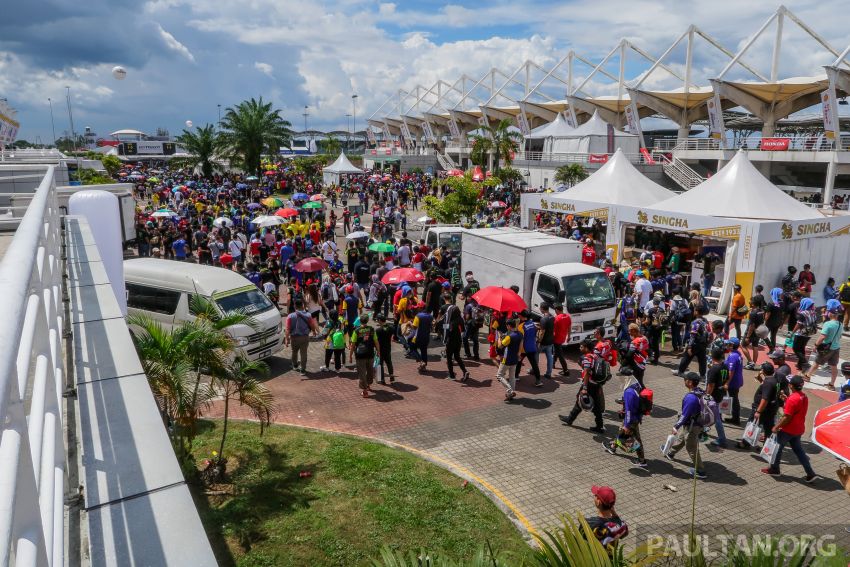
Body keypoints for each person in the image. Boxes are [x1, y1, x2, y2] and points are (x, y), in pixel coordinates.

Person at [762, 375, 817, 482]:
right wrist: (786, 400)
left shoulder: (793, 399)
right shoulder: (803, 396)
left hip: (788, 430)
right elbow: (795, 408)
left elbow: (787, 417)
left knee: (777, 448)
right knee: (799, 451)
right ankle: (810, 473)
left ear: (791, 385)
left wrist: (776, 427)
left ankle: (775, 469)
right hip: (799, 429)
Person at [664, 372, 708, 479]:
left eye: (686, 379)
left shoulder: (691, 398)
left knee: (691, 447)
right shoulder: (700, 392)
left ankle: (701, 471)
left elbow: (685, 415)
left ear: (690, 382)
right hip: (698, 423)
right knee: (683, 437)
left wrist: (676, 426)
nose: (684, 381)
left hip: (693, 425)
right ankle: (671, 453)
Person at [559, 339, 605, 432]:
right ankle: (599, 426)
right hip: (596, 384)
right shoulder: (595, 356)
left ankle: (570, 419)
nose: (580, 348)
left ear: (586, 348)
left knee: (580, 400)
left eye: (581, 346)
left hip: (589, 384)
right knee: (596, 405)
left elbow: (587, 372)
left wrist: (584, 387)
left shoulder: (587, 358)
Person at [603, 377, 647, 468]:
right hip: (636, 416)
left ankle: (642, 460)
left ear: (627, 378)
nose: (620, 379)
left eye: (622, 377)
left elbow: (629, 410)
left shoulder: (629, 392)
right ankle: (613, 446)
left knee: (636, 438)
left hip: (631, 419)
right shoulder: (636, 384)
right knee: (621, 431)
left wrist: (627, 425)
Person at [737, 362, 781, 450]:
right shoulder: (774, 380)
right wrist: (761, 380)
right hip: (771, 410)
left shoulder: (768, 382)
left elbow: (765, 398)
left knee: (752, 425)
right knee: (768, 429)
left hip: (763, 410)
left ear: (763, 371)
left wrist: (758, 411)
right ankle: (766, 447)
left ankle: (745, 443)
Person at [804, 307, 842, 390]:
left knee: (817, 363)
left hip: (826, 348)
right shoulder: (840, 324)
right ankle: (831, 384)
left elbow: (822, 337)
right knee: (834, 366)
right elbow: (839, 337)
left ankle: (807, 376)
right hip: (836, 348)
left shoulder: (828, 324)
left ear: (831, 314)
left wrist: (816, 345)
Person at [350, 313, 380, 398]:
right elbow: (376, 342)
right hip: (370, 353)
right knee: (370, 370)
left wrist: (350, 355)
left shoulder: (356, 331)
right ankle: (369, 385)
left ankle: (365, 391)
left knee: (362, 372)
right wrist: (378, 351)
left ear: (360, 321)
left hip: (360, 354)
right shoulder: (372, 329)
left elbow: (353, 344)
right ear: (367, 320)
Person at [440, 297, 470, 382]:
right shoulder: (460, 320)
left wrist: (445, 341)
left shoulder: (450, 323)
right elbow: (463, 330)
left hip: (451, 341)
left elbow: (445, 330)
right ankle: (465, 371)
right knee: (457, 356)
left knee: (449, 358)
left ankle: (452, 375)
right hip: (458, 340)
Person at [676, 304, 709, 378]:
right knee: (702, 360)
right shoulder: (705, 321)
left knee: (687, 357)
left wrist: (690, 346)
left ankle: (680, 372)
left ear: (697, 312)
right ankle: (702, 375)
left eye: (694, 310)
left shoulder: (695, 322)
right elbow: (708, 333)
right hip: (703, 344)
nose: (693, 311)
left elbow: (693, 335)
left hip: (695, 344)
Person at [285, 299, 317, 374]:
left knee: (294, 352)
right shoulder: (308, 315)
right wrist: (314, 331)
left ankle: (295, 365)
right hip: (304, 337)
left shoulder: (290, 316)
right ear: (302, 305)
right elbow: (312, 325)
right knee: (304, 353)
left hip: (294, 338)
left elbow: (287, 329)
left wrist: (286, 339)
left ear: (294, 306)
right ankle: (303, 369)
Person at [704, 349, 728, 448]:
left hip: (714, 396)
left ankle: (722, 439)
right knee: (713, 414)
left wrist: (707, 396)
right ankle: (704, 429)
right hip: (721, 394)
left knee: (717, 418)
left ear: (713, 357)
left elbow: (711, 385)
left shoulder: (714, 369)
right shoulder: (724, 366)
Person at [496, 319, 523, 401]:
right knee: (512, 377)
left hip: (506, 359)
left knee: (499, 375)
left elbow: (500, 346)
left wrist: (499, 338)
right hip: (515, 358)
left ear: (509, 326)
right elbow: (521, 346)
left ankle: (510, 391)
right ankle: (510, 394)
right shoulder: (520, 334)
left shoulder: (509, 337)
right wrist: (518, 355)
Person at [791, 298, 817, 373]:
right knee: (801, 348)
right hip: (809, 333)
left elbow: (799, 324)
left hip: (801, 333)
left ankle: (805, 363)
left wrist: (792, 332)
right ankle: (800, 365)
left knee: (795, 348)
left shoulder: (803, 313)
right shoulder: (813, 312)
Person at [723, 337, 744, 426]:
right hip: (737, 380)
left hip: (733, 382)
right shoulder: (737, 354)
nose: (727, 345)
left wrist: (727, 383)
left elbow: (731, 371)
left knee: (734, 400)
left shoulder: (732, 356)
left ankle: (735, 419)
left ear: (732, 346)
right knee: (735, 399)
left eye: (728, 344)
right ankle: (735, 418)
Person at [518, 310, 542, 387]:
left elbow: (520, 338)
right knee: (534, 364)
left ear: (523, 316)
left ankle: (515, 376)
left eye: (520, 315)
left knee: (518, 361)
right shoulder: (532, 323)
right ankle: (538, 381)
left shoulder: (521, 326)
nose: (519, 316)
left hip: (523, 348)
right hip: (532, 346)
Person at [741, 297, 765, 370]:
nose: (749, 303)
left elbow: (751, 325)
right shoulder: (761, 311)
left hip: (751, 332)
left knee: (743, 345)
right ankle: (753, 363)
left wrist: (748, 336)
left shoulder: (753, 313)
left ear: (753, 303)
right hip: (758, 332)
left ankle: (750, 362)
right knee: (755, 346)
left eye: (750, 302)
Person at [410, 305, 434, 371]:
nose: (417, 308)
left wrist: (410, 324)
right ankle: (424, 366)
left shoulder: (418, 316)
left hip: (418, 336)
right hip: (426, 337)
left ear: (421, 308)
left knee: (412, 348)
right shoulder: (430, 316)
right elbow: (432, 327)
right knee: (424, 351)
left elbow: (414, 327)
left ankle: (421, 361)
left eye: (418, 307)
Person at [374, 313, 395, 384]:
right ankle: (391, 375)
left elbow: (376, 341)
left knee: (380, 364)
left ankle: (382, 379)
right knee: (389, 362)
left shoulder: (378, 330)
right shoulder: (391, 328)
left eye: (377, 320)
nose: (377, 321)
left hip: (380, 349)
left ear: (380, 320)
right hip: (388, 348)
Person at [538, 303, 556, 380]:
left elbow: (542, 332)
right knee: (549, 357)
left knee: (536, 356)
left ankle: (534, 370)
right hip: (550, 340)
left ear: (542, 308)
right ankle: (549, 373)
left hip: (543, 342)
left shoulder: (543, 319)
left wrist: (539, 341)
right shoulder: (552, 317)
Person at [553, 304, 571, 376]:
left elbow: (553, 330)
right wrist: (569, 336)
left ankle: (565, 370)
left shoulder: (556, 318)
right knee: (556, 351)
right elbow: (569, 328)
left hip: (556, 338)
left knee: (560, 355)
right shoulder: (567, 317)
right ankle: (553, 363)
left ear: (557, 310)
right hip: (563, 338)